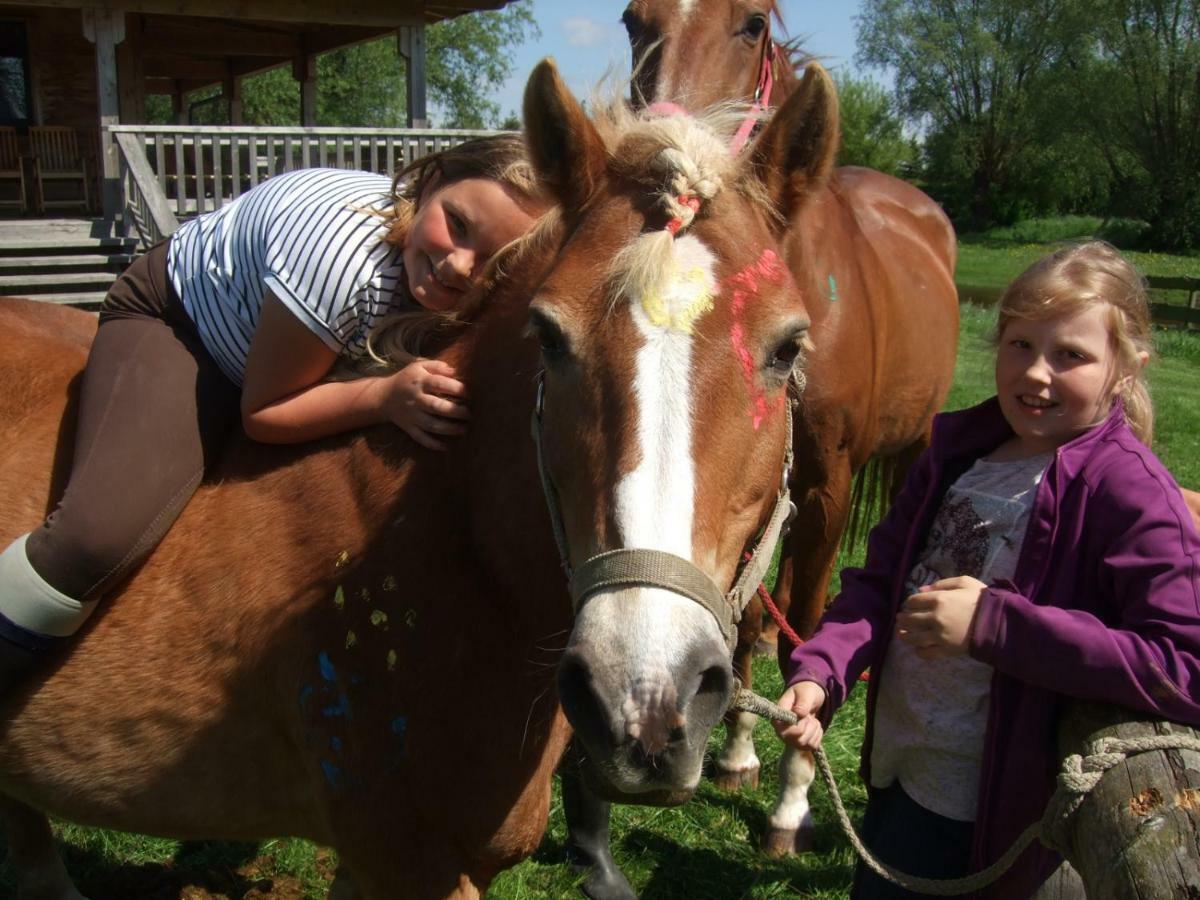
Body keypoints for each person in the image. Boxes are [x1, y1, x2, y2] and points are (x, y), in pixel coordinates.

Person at [0, 134, 548, 683]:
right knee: (93, 539)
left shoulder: (448, 275)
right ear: (431, 184)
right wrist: (382, 396)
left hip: (311, 339)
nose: (459, 267)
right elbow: (264, 412)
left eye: (497, 263)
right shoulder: (341, 260)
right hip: (186, 327)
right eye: (457, 224)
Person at [774, 241, 1200, 899]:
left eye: (1071, 356)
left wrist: (996, 626)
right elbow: (881, 583)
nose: (1035, 374)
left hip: (1000, 812)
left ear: (1127, 367)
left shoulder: (1131, 493)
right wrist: (823, 669)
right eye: (1019, 345)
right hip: (903, 768)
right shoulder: (956, 454)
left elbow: (1182, 666)